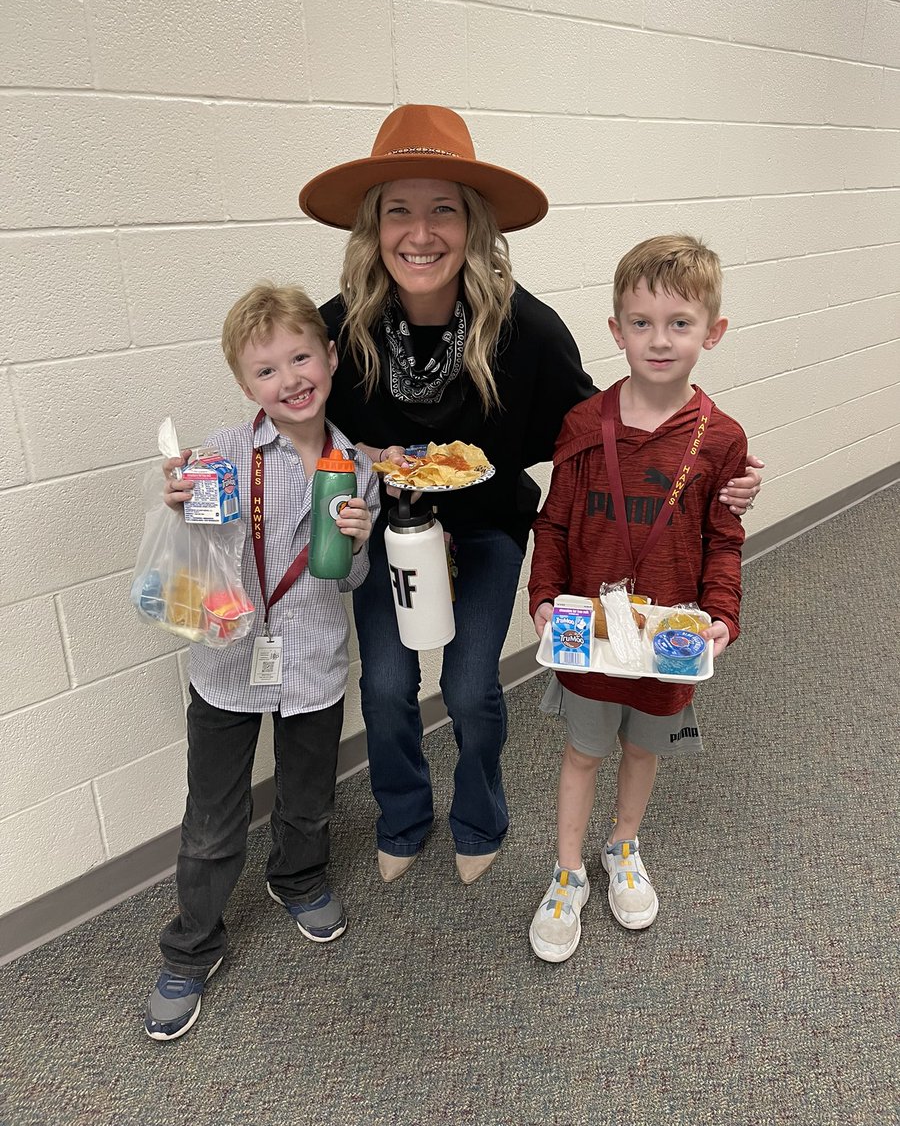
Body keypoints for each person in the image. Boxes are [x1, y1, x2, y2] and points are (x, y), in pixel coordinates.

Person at [297, 106, 763, 888]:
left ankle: (480, 818)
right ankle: (405, 815)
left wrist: (715, 471)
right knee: (382, 686)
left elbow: (596, 431)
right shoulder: (343, 327)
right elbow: (290, 400)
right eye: (398, 209)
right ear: (373, 227)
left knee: (472, 686)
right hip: (386, 529)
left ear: (474, 224)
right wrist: (219, 474)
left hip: (486, 528)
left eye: (443, 207)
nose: (421, 231)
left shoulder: (527, 330)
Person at [144, 284, 379, 1041]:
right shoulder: (223, 453)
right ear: (247, 386)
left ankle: (298, 877)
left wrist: (358, 538)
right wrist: (176, 497)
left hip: (312, 662)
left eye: (302, 356)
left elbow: (348, 581)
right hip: (227, 665)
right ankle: (191, 945)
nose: (290, 380)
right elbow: (194, 542)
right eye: (267, 370)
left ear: (331, 356)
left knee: (308, 797)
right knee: (212, 822)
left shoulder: (356, 466)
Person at [527, 235, 746, 962]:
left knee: (642, 749)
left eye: (680, 323)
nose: (659, 340)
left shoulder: (721, 440)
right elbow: (554, 522)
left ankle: (623, 846)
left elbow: (724, 539)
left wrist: (721, 613)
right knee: (584, 751)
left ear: (711, 331)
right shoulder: (585, 426)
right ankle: (567, 873)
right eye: (641, 323)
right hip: (589, 634)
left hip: (669, 638)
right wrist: (543, 597)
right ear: (615, 330)